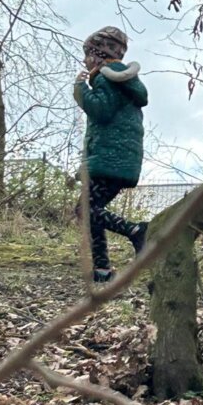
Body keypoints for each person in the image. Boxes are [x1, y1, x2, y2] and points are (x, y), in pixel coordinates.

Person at [73, 26, 148, 283]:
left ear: (97, 55)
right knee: (91, 210)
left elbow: (101, 111)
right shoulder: (120, 81)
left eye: (87, 54)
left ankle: (136, 231)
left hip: (110, 159)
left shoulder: (107, 79)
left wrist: (80, 87)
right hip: (117, 159)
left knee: (85, 209)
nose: (85, 60)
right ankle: (102, 269)